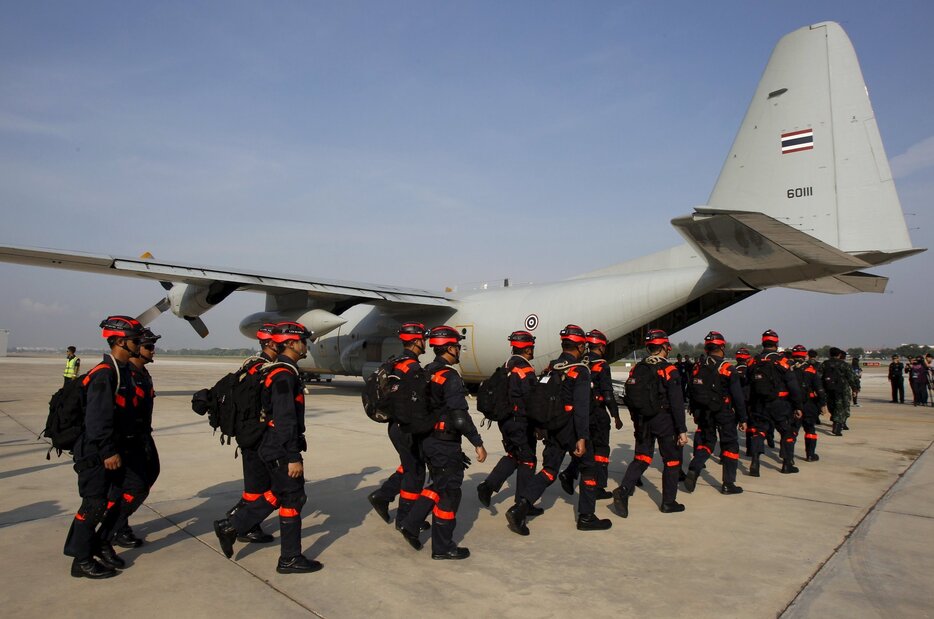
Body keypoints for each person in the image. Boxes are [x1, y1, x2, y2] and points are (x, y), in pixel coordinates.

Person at [215, 321, 323, 574]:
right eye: (302, 340)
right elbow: (286, 419)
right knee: (294, 497)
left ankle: (233, 526)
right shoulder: (284, 375)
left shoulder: (277, 371)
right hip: (280, 447)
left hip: (272, 444)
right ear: (291, 343)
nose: (305, 345)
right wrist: (293, 455)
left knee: (282, 493)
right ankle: (288, 557)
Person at [505, 325, 612, 535]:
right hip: (572, 428)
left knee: (550, 470)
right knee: (589, 470)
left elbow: (539, 399)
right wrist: (581, 437)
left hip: (553, 428)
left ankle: (520, 508)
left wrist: (540, 426)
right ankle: (586, 517)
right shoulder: (580, 370)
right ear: (580, 346)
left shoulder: (551, 368)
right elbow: (581, 408)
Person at [63, 315, 145, 579]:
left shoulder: (121, 371)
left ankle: (99, 543)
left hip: (114, 449)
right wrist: (108, 451)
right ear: (120, 341)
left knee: (112, 500)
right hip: (97, 452)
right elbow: (97, 419)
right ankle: (81, 559)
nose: (139, 345)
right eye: (135, 340)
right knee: (93, 505)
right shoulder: (105, 374)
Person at [398, 326, 487, 559]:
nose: (459, 350)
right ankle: (443, 546)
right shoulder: (450, 376)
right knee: (449, 492)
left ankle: (411, 523)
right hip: (444, 442)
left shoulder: (426, 371)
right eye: (457, 346)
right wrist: (477, 442)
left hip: (427, 440)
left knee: (438, 485)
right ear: (449, 348)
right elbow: (459, 416)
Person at [611, 329, 689, 517]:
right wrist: (682, 430)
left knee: (642, 457)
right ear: (664, 346)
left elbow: (630, 395)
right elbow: (677, 403)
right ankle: (668, 502)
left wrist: (637, 421)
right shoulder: (668, 369)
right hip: (664, 420)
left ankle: (623, 490)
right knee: (671, 460)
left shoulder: (638, 367)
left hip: (643, 420)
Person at [216, 323, 279, 546]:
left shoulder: (250, 365)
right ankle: (235, 524)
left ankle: (243, 524)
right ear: (271, 343)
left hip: (248, 434)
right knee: (269, 487)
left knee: (255, 487)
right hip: (257, 436)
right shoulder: (264, 370)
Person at [102, 327, 162, 549]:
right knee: (132, 487)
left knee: (148, 476)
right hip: (126, 441)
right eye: (148, 346)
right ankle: (115, 526)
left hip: (143, 436)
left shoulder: (142, 374)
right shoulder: (123, 374)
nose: (152, 351)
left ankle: (117, 523)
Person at [368, 322, 429, 530]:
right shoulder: (412, 368)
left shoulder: (396, 362)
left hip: (396, 425)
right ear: (416, 341)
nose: (425, 342)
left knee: (410, 465)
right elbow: (416, 403)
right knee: (415, 472)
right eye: (423, 338)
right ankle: (405, 519)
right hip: (406, 427)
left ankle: (383, 496)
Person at [477, 330, 542, 513]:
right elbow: (532, 400)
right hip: (520, 423)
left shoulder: (506, 366)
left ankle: (488, 486)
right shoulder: (525, 369)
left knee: (514, 456)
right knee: (528, 460)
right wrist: (539, 424)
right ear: (528, 349)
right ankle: (522, 505)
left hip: (505, 421)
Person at [557, 329, 623, 499]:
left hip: (584, 413)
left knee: (587, 449)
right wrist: (615, 415)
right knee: (601, 449)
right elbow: (608, 394)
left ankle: (570, 472)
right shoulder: (602, 364)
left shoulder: (581, 362)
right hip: (598, 413)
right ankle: (598, 487)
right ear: (600, 346)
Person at [683, 331, 747, 495]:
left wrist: (694, 408)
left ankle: (694, 468)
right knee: (730, 445)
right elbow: (738, 397)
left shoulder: (698, 366)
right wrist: (742, 418)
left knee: (706, 442)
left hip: (703, 412)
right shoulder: (727, 368)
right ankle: (728, 483)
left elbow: (690, 389)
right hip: (723, 412)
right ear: (722, 347)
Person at [747, 330, 804, 476]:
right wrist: (798, 406)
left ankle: (755, 461)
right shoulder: (782, 362)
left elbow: (748, 385)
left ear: (763, 343)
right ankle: (787, 463)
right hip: (780, 403)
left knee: (759, 432)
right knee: (787, 432)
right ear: (776, 343)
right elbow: (793, 386)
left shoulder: (754, 361)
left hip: (759, 403)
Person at [789, 345, 828, 462]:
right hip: (809, 404)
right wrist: (823, 404)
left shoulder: (788, 369)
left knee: (792, 431)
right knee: (810, 429)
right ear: (805, 355)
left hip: (792, 404)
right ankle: (810, 455)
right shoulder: (810, 370)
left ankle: (789, 457)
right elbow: (819, 389)